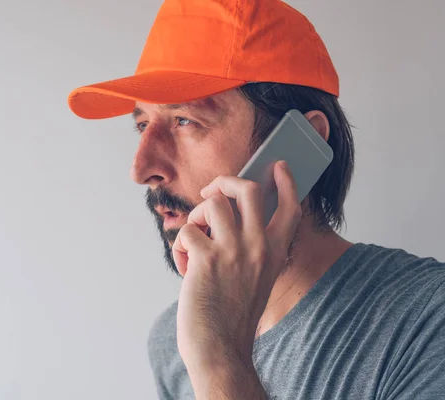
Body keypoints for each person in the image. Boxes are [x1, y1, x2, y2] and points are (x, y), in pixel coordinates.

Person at [67, 0, 445, 399]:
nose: (142, 169)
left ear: (303, 142)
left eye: (184, 121)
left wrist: (220, 361)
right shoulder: (174, 337)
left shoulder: (426, 321)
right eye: (142, 124)